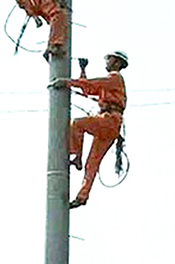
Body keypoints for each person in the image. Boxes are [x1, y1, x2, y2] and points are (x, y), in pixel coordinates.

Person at [53, 50, 128, 209]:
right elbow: (88, 89)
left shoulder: (115, 78)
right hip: (110, 124)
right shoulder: (110, 82)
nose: (107, 62)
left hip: (109, 120)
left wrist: (67, 82)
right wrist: (82, 71)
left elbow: (92, 84)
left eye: (109, 59)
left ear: (117, 62)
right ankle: (82, 196)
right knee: (92, 164)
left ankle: (76, 156)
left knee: (78, 124)